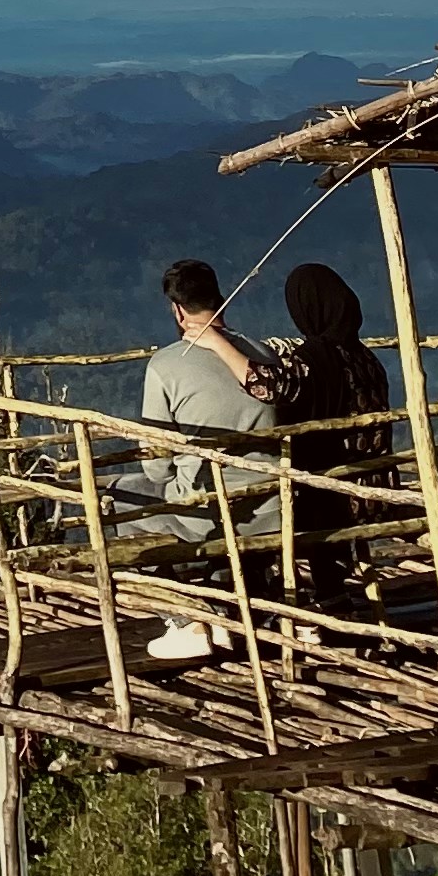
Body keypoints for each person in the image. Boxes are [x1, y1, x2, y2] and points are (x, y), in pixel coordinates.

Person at [205, 262, 396, 603]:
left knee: (256, 511)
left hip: (334, 496)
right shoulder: (365, 357)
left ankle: (258, 593)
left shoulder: (317, 358)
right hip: (374, 487)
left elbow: (267, 385)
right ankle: (330, 590)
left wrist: (217, 343)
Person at [132, 257, 277, 660]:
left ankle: (187, 621)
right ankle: (228, 603)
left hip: (212, 511)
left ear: (177, 310)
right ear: (220, 299)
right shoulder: (261, 354)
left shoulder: (165, 366)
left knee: (122, 498)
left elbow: (155, 466)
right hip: (274, 507)